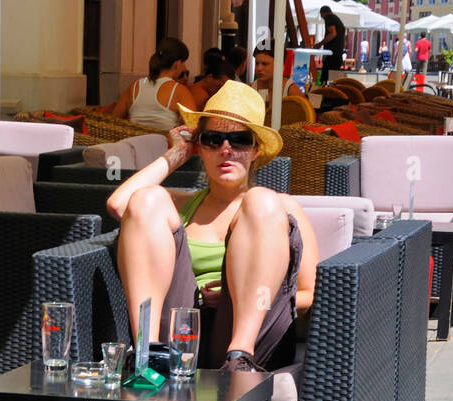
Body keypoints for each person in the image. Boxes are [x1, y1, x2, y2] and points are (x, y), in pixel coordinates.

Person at [105, 82, 318, 375]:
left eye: (239, 140)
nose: (226, 149)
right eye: (213, 139)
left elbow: (311, 293)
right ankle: (147, 353)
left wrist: (242, 295)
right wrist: (175, 155)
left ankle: (240, 360)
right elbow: (120, 205)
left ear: (256, 150)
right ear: (200, 147)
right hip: (181, 332)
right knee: (147, 197)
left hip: (250, 332)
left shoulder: (279, 207)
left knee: (261, 201)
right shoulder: (182, 203)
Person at [110, 37, 193, 131]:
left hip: (134, 141)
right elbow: (192, 126)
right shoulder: (179, 90)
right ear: (177, 64)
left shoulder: (134, 86)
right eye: (184, 63)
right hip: (163, 144)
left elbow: (113, 120)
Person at [317, 5, 346, 85]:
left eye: (321, 15)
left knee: (325, 80)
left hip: (331, 54)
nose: (322, 17)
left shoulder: (329, 18)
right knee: (333, 81)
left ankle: (324, 95)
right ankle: (332, 96)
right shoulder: (338, 20)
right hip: (338, 54)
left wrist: (320, 44)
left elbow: (333, 33)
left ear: (323, 13)